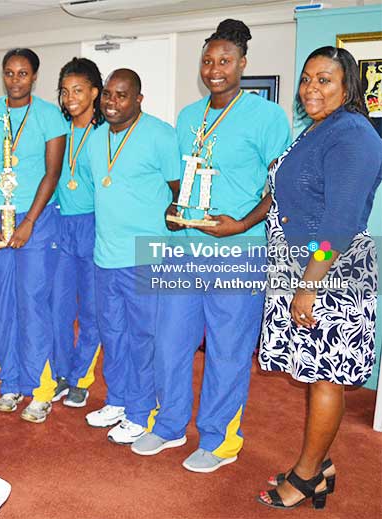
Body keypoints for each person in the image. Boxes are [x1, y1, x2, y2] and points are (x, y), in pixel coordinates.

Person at [132, 19, 291, 472]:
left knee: (227, 348)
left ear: (243, 63)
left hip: (237, 249)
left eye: (224, 60)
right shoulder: (188, 116)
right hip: (184, 246)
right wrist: (172, 209)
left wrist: (240, 224)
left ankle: (221, 439)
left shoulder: (266, 117)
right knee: (170, 342)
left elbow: (281, 185)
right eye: (208, 60)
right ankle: (169, 425)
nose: (214, 68)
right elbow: (184, 180)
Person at [257, 46, 381, 510]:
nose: (311, 88)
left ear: (348, 86)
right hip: (305, 268)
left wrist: (308, 285)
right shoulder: (321, 129)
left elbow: (340, 222)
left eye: (325, 80)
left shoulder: (353, 136)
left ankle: (308, 476)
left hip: (330, 274)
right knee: (315, 376)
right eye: (307, 78)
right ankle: (319, 467)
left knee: (325, 378)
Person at [82, 69, 177, 445]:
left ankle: (140, 411)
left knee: (142, 336)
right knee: (113, 334)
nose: (112, 102)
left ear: (139, 99)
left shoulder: (160, 135)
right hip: (106, 253)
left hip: (145, 254)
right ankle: (118, 400)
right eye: (107, 94)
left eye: (122, 96)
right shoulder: (95, 139)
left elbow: (177, 190)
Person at [0, 48, 67, 423]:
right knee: (4, 302)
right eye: (9, 73)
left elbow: (52, 173)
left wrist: (29, 222)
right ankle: (10, 381)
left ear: (34, 76)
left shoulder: (49, 116)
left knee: (33, 302)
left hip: (36, 219)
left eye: (23, 73)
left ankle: (41, 388)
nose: (15, 80)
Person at [50, 57, 103, 409]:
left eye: (79, 90)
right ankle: (60, 374)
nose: (71, 97)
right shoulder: (56, 130)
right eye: (65, 91)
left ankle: (81, 376)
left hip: (96, 225)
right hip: (59, 224)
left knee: (92, 310)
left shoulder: (105, 134)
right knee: (57, 305)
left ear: (95, 93)